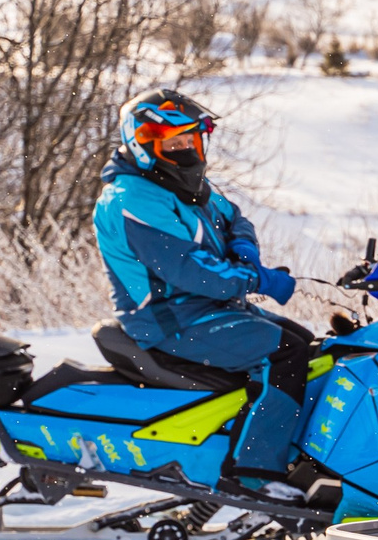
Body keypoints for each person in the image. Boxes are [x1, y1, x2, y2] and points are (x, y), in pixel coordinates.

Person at [93, 88, 314, 501]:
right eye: (171, 143)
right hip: (169, 319)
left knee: (309, 346)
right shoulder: (132, 199)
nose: (183, 150)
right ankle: (251, 472)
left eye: (189, 140)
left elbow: (234, 219)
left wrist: (244, 250)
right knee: (285, 353)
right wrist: (254, 280)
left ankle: (296, 457)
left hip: (207, 309)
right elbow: (190, 270)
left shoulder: (186, 184)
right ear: (143, 146)